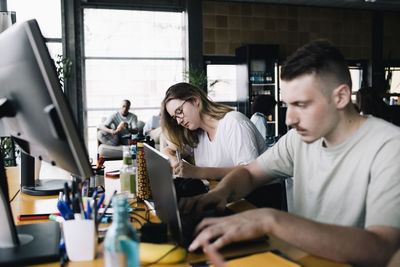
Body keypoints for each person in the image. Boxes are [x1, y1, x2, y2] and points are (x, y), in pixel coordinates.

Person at [182, 40, 400, 266]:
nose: (289, 119)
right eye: (287, 105)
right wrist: (220, 193)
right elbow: (249, 173)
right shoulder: (298, 139)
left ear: (341, 97)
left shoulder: (390, 148)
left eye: (301, 104)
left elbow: (381, 248)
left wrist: (271, 220)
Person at [161, 82, 267, 180]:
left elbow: (250, 170)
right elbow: (167, 151)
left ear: (195, 100)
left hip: (256, 197)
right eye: (175, 117)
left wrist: (199, 172)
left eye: (179, 111)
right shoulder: (197, 133)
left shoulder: (234, 123)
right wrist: (177, 164)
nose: (179, 121)